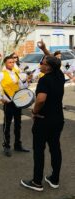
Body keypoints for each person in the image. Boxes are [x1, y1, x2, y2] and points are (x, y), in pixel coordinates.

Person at [21, 46, 65, 191]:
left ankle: (36, 182)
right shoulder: (59, 75)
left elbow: (40, 100)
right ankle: (55, 179)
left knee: (39, 150)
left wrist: (34, 112)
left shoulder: (44, 80)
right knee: (55, 148)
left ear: (48, 67)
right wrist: (45, 49)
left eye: (43, 63)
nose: (40, 64)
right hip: (58, 118)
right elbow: (54, 61)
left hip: (44, 119)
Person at [0, 55, 30, 157]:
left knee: (18, 124)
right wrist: (0, 98)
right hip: (8, 103)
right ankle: (6, 146)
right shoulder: (1, 74)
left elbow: (23, 86)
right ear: (5, 63)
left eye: (13, 62)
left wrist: (26, 81)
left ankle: (18, 144)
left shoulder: (16, 74)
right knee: (7, 125)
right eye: (10, 62)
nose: (12, 64)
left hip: (18, 102)